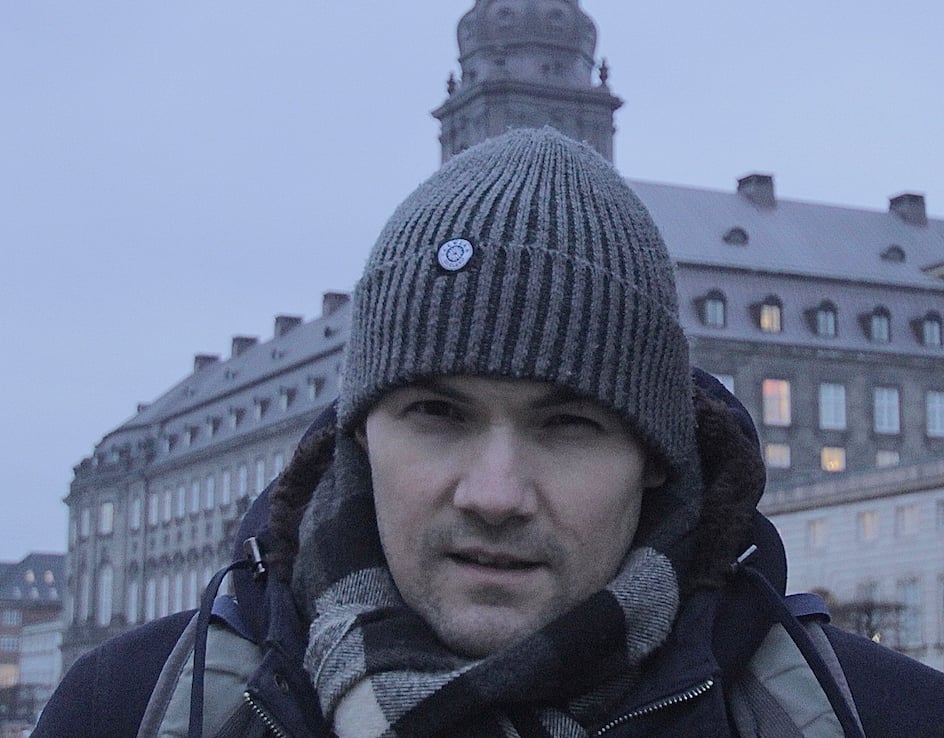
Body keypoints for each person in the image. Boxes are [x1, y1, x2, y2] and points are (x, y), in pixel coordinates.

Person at [36, 128, 944, 737]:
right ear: (360, 435)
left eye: (570, 423)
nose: (495, 494)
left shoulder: (878, 719)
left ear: (656, 458)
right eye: (437, 413)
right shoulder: (129, 710)